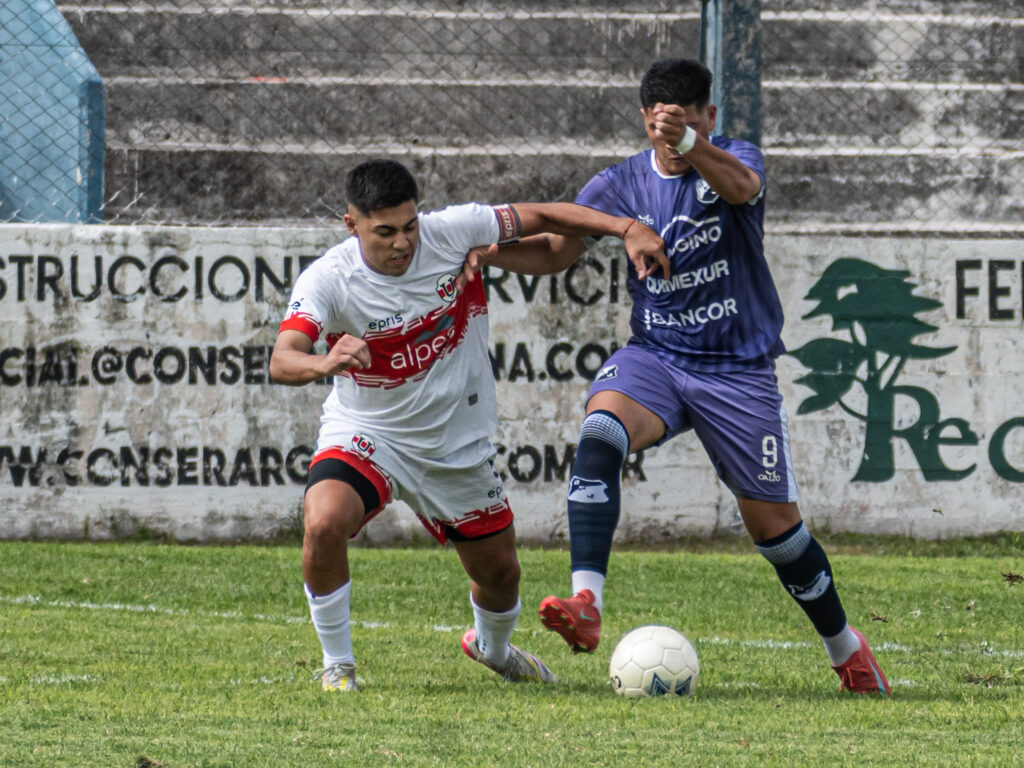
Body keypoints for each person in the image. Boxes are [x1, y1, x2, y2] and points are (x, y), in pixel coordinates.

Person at [460, 59, 890, 696]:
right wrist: (487, 255)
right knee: (600, 431)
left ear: (709, 117)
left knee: (776, 532)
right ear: (644, 120)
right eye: (666, 126)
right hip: (657, 356)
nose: (678, 136)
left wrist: (689, 142)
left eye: (694, 122)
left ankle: (846, 649)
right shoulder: (620, 183)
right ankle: (586, 602)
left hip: (738, 371)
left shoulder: (733, 158)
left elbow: (743, 186)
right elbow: (555, 251)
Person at [269, 158, 666, 692]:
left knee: (501, 576)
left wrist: (626, 227)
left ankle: (493, 650)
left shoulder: (453, 231)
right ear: (352, 225)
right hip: (370, 435)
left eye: (410, 226)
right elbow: (282, 358)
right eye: (385, 231)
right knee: (322, 522)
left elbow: (543, 215)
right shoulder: (329, 279)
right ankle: (338, 665)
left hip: (455, 443)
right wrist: (324, 362)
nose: (403, 242)